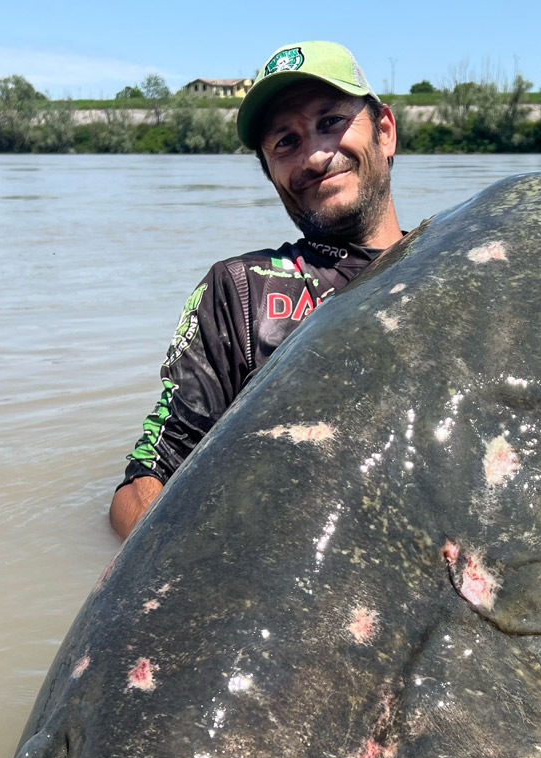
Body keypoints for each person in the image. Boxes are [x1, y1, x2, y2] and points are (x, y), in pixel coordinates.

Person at [109, 41, 403, 539]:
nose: (313, 154)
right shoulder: (239, 292)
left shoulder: (465, 263)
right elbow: (145, 480)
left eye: (331, 121)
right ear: (270, 173)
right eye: (284, 142)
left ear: (385, 131)